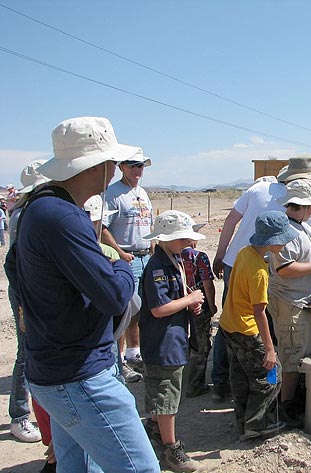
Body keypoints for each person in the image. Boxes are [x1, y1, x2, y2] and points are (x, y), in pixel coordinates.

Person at [5, 116, 160, 471]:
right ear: (100, 165)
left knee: (77, 466)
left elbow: (13, 269)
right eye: (114, 162)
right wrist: (121, 262)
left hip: (54, 369)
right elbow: (115, 296)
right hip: (80, 374)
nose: (116, 169)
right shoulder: (62, 216)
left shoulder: (36, 206)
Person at [210, 156, 311, 402]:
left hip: (237, 263)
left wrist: (220, 254)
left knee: (232, 327)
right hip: (265, 275)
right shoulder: (301, 212)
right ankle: (269, 393)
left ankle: (223, 384)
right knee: (269, 335)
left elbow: (231, 220)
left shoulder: (259, 189)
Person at [219, 211, 298, 439]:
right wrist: (270, 349)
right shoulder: (259, 272)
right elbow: (259, 312)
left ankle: (243, 420)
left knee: (241, 376)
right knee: (271, 375)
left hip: (229, 325)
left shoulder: (245, 254)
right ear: (273, 240)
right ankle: (257, 423)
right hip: (246, 329)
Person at [139, 210, 205, 472]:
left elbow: (171, 298)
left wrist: (188, 301)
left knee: (166, 394)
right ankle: (170, 449)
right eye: (182, 238)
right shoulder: (157, 266)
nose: (188, 243)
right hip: (163, 342)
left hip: (173, 338)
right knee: (167, 396)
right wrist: (188, 300)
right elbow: (158, 308)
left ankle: (155, 435)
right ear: (165, 239)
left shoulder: (173, 259)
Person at [268, 179, 311, 419]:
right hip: (289, 301)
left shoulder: (296, 227)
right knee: (291, 355)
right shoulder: (287, 230)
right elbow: (285, 269)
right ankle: (285, 407)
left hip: (295, 300)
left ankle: (286, 401)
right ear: (303, 206)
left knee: (293, 352)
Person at [6, 160, 49, 445]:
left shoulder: (26, 211)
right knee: (27, 353)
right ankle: (19, 416)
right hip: (26, 291)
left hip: (29, 289)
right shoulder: (25, 215)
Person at [101, 151, 154, 382]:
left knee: (140, 306)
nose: (137, 169)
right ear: (122, 166)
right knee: (124, 309)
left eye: (140, 165)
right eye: (132, 165)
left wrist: (152, 245)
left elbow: (149, 222)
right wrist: (120, 253)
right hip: (126, 257)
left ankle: (134, 352)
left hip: (144, 256)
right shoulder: (113, 194)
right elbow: (102, 228)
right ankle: (119, 360)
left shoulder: (142, 193)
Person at [181, 236, 218, 398]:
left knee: (185, 343)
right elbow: (207, 285)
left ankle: (183, 381)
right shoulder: (199, 257)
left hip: (179, 306)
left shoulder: (172, 256)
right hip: (198, 305)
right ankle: (195, 385)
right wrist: (211, 306)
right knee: (200, 346)